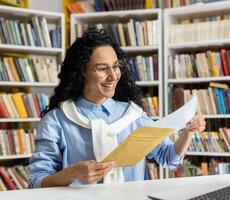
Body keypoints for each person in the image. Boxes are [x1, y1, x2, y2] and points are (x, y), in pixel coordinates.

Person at [28, 28, 206, 188]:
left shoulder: (133, 116)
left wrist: (188, 132)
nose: (113, 76)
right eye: (102, 68)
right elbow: (36, 182)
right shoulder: (57, 119)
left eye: (116, 66)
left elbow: (169, 158)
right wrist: (73, 173)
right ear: (81, 71)